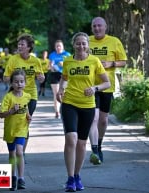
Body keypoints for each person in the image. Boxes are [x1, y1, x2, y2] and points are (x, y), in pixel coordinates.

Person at [56, 32, 110, 192]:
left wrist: (95, 88)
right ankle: (70, 178)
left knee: (81, 143)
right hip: (69, 103)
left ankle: (77, 175)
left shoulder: (94, 61)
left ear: (88, 45)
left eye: (84, 43)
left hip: (87, 105)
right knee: (71, 139)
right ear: (73, 45)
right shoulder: (68, 61)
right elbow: (64, 78)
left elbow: (106, 83)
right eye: (78, 43)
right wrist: (60, 90)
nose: (81, 46)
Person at [88, 17, 127, 164]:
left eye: (99, 26)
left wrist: (111, 63)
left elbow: (123, 61)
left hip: (107, 86)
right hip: (90, 86)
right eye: (94, 26)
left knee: (103, 121)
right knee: (94, 118)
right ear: (92, 28)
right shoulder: (87, 41)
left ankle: (99, 143)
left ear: (105, 27)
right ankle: (95, 149)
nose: (97, 28)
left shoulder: (114, 41)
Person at [3, 33, 45, 160]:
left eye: (22, 44)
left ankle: (21, 152)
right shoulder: (13, 59)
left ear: (29, 47)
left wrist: (41, 78)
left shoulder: (36, 61)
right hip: (15, 95)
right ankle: (16, 148)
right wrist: (11, 79)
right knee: (15, 121)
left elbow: (41, 78)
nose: (19, 46)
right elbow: (5, 77)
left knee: (25, 121)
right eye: (18, 44)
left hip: (30, 95)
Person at [0, 69, 31, 191]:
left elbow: (26, 107)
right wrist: (11, 111)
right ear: (12, 83)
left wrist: (28, 116)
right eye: (16, 82)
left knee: (19, 152)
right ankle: (12, 177)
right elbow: (1, 115)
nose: (19, 84)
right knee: (12, 154)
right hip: (10, 130)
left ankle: (21, 178)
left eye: (22, 82)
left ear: (25, 83)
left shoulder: (27, 96)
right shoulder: (8, 97)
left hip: (22, 129)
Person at [49, 40, 71, 118]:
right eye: (56, 46)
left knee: (63, 93)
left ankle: (64, 110)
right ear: (55, 47)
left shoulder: (67, 54)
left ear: (63, 47)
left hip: (64, 75)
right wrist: (52, 67)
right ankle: (57, 111)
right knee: (56, 94)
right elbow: (50, 66)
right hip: (54, 75)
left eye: (59, 46)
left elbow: (71, 66)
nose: (58, 47)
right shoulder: (52, 55)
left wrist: (63, 65)